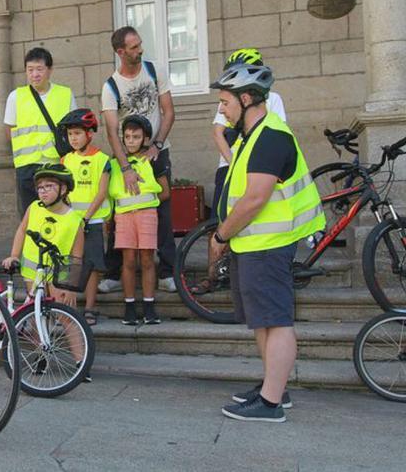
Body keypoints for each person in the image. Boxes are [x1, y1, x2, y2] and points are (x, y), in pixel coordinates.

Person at [210, 63, 325, 422]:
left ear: (247, 99)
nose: (222, 109)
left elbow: (255, 198)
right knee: (263, 321)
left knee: (276, 321)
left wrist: (220, 235)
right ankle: (273, 387)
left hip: (269, 244)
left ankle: (271, 404)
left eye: (225, 101)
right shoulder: (250, 135)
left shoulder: (272, 136)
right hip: (253, 244)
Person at [193, 48, 288, 294]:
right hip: (231, 164)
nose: (223, 107)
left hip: (257, 168)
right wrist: (234, 161)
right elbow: (217, 132)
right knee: (219, 223)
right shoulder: (230, 99)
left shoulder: (273, 101)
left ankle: (239, 273)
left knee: (246, 218)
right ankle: (212, 276)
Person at [99, 26, 177, 294]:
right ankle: (116, 271)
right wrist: (125, 167)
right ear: (120, 52)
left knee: (163, 210)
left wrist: (156, 145)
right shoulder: (111, 87)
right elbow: (111, 131)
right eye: (133, 47)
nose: (140, 50)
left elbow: (168, 112)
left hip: (156, 151)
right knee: (120, 212)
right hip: (125, 156)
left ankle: (168, 271)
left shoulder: (154, 71)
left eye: (139, 44)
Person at [109, 115, 169, 325]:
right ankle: (129, 306)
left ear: (145, 138)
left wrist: (146, 203)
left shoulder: (153, 160)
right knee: (128, 261)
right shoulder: (115, 163)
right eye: (127, 137)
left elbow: (165, 192)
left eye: (136, 137)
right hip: (123, 217)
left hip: (147, 216)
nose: (131, 141)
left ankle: (149, 306)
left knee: (147, 260)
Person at [4, 47, 78, 215]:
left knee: (57, 213)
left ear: (49, 70)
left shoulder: (65, 94)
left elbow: (74, 130)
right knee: (30, 215)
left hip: (56, 164)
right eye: (30, 70)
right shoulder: (16, 96)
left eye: (39, 69)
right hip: (26, 166)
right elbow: (9, 131)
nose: (34, 74)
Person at [0, 164, 84, 310]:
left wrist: (70, 287)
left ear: (63, 189)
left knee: (66, 316)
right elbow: (22, 230)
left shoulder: (74, 220)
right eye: (40, 187)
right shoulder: (34, 207)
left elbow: (77, 257)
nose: (43, 192)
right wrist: (14, 255)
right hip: (33, 271)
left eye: (49, 186)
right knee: (35, 313)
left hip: (59, 275)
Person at [59, 108, 110, 326]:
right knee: (66, 265)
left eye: (78, 133)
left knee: (91, 266)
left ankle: (90, 308)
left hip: (93, 221)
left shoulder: (103, 159)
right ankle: (65, 307)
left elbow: (102, 192)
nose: (74, 138)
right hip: (70, 222)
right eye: (71, 134)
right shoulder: (65, 160)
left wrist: (86, 218)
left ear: (90, 134)